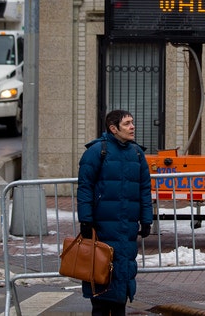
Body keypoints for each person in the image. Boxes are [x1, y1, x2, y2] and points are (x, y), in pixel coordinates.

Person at [76, 110, 153, 315]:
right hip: (102, 226)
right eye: (127, 123)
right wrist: (86, 220)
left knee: (123, 274)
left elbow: (144, 188)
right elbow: (85, 187)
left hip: (127, 227)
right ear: (113, 128)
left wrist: (147, 219)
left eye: (132, 122)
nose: (132, 127)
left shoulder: (137, 153)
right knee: (100, 275)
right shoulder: (96, 151)